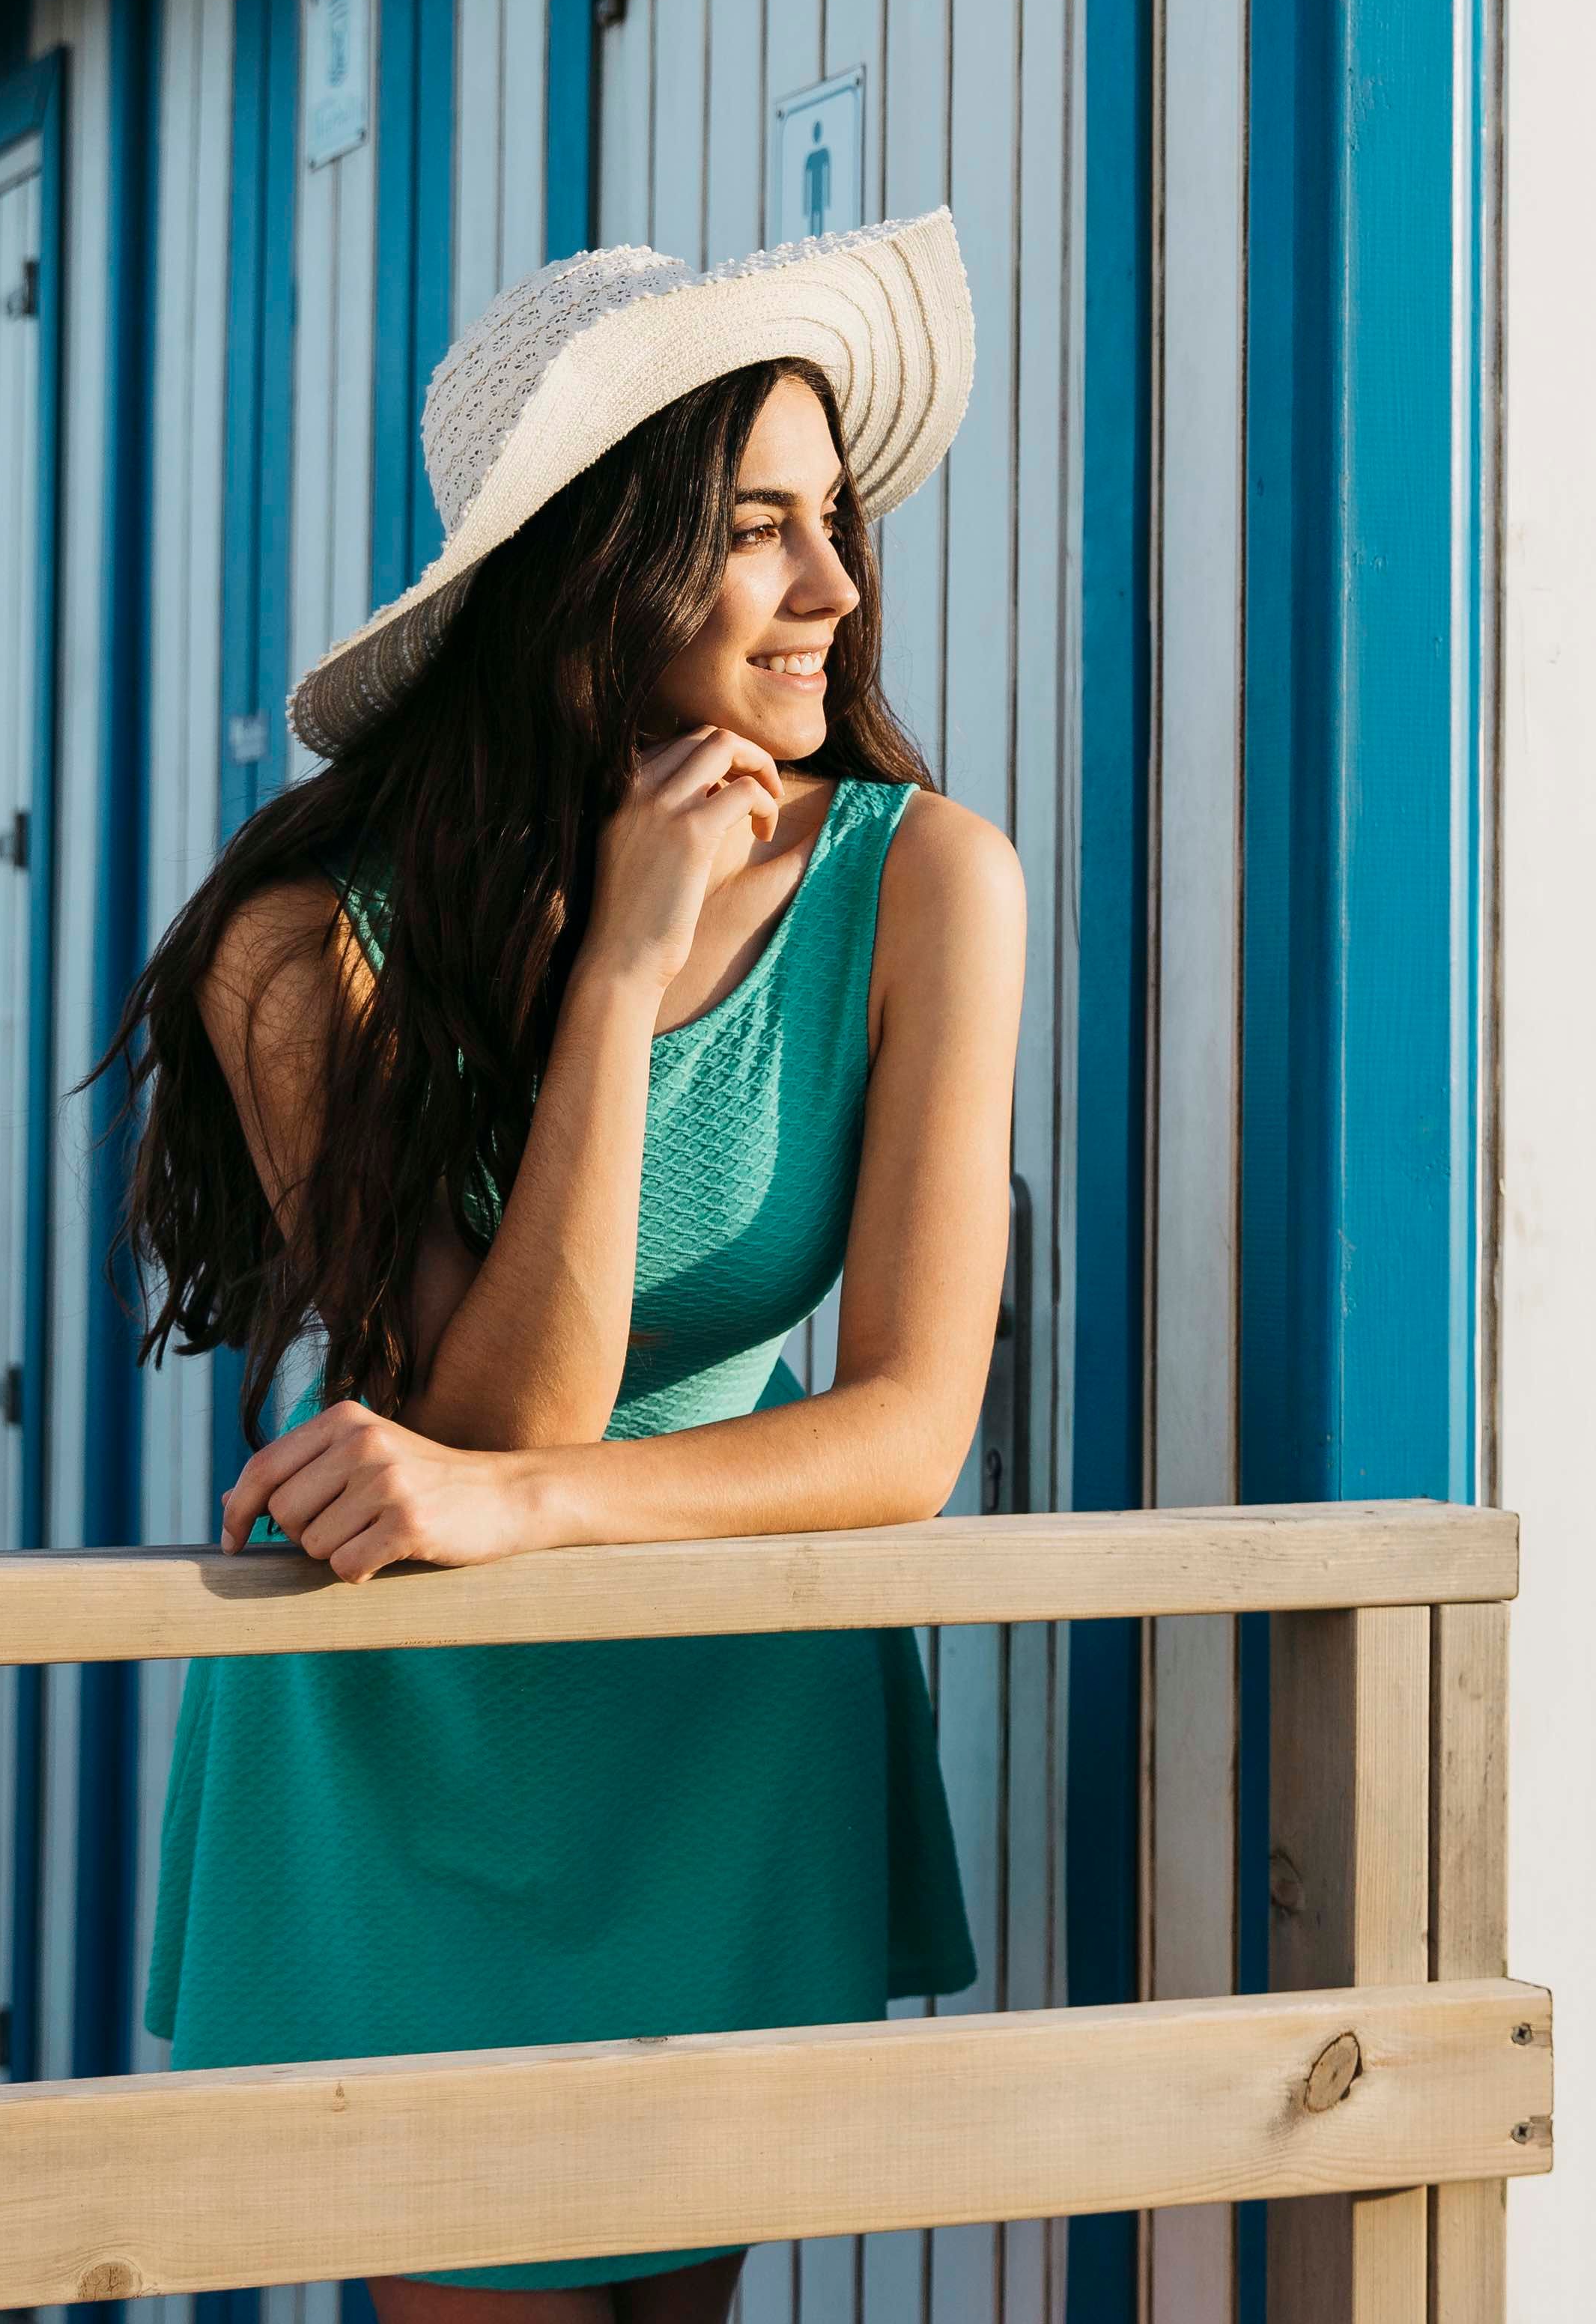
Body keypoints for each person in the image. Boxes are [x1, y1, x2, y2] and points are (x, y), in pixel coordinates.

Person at [99, 213, 1026, 2322]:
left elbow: (904, 1433)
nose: (838, 592)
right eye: (760, 534)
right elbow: (492, 1404)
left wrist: (525, 1508)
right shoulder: (300, 943)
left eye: (837, 521)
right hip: (412, 1748)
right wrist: (614, 973)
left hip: (717, 1715)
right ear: (596, 570)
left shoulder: (930, 886)